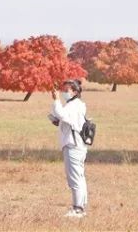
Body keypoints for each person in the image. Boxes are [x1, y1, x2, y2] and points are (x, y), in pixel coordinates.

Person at [50, 79, 88, 218]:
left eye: (67, 90)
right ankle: (81, 206)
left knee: (74, 178)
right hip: (77, 145)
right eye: (63, 90)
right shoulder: (74, 105)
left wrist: (56, 99)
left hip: (73, 145)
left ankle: (77, 209)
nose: (64, 93)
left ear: (75, 92)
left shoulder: (74, 105)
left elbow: (62, 114)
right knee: (79, 176)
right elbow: (61, 116)